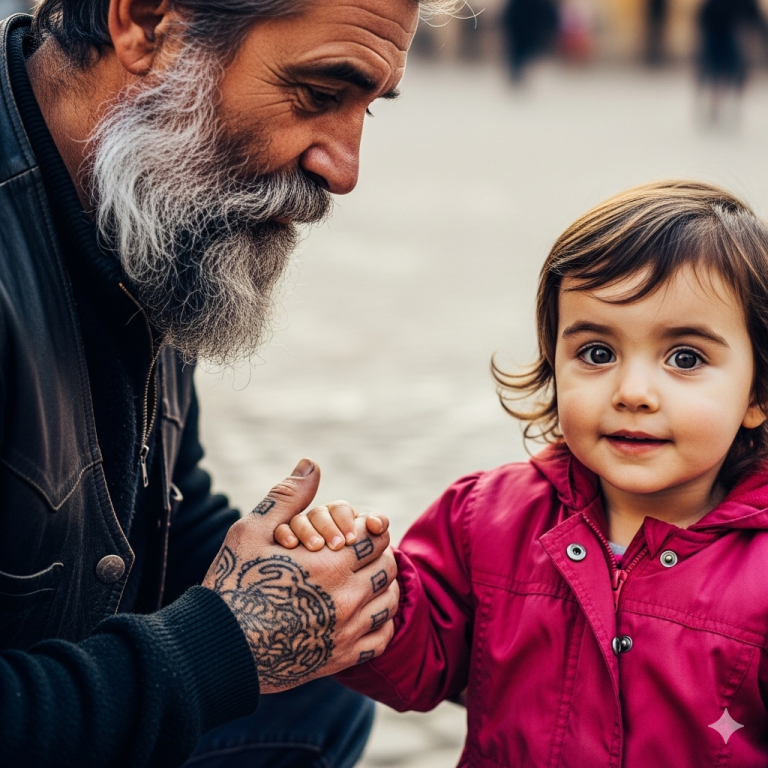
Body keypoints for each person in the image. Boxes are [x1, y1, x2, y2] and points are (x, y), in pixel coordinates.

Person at [0, 0, 453, 765]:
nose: (343, 169)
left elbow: (164, 518)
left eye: (367, 110)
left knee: (321, 689)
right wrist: (221, 646)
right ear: (146, 23)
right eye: (318, 94)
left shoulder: (139, 197)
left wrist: (347, 596)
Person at [283, 181, 768, 765]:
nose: (633, 392)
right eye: (596, 352)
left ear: (756, 392)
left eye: (684, 358)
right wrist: (353, 582)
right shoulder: (485, 517)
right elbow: (417, 659)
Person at [697, 0, 766, 126]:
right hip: (718, 36)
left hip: (726, 36)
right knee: (718, 74)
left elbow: (755, 16)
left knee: (722, 74)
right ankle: (716, 107)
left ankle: (720, 106)